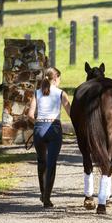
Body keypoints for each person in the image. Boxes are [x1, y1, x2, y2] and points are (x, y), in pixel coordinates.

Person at [27, 66, 71, 208]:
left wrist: (38, 124)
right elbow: (71, 113)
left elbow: (30, 115)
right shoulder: (61, 94)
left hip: (39, 128)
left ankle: (42, 192)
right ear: (56, 78)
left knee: (42, 162)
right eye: (59, 78)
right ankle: (46, 197)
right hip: (54, 128)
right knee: (51, 164)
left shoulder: (37, 93)